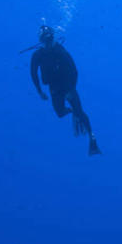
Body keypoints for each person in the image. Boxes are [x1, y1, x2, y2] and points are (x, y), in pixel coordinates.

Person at [30, 25, 101, 155]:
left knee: (79, 111)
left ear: (53, 38)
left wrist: (71, 90)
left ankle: (92, 140)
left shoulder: (61, 51)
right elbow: (33, 74)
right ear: (41, 41)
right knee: (60, 113)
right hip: (54, 88)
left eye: (50, 39)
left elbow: (74, 71)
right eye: (45, 40)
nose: (48, 43)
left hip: (68, 86)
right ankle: (72, 111)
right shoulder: (37, 55)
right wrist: (39, 91)